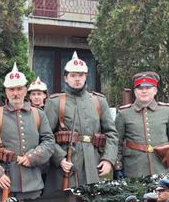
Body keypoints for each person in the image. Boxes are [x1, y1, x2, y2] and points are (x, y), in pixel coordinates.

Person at [43, 51, 118, 193]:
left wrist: (108, 159)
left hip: (95, 163)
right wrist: (59, 158)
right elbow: (46, 136)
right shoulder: (55, 102)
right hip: (66, 165)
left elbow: (111, 134)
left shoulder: (99, 101)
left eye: (81, 75)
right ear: (66, 78)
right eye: (73, 75)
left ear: (86, 77)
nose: (77, 79)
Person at [0, 63, 55, 202]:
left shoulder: (38, 114)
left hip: (32, 184)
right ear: (6, 91)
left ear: (25, 90)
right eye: (11, 89)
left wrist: (32, 157)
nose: (15, 93)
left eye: (19, 89)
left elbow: (49, 141)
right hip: (2, 183)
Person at [114, 72, 169, 178]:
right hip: (133, 168)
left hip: (161, 167)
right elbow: (116, 142)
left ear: (155, 90)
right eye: (139, 88)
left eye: (148, 87)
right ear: (135, 91)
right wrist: (117, 167)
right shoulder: (124, 113)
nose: (144, 91)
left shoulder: (167, 111)